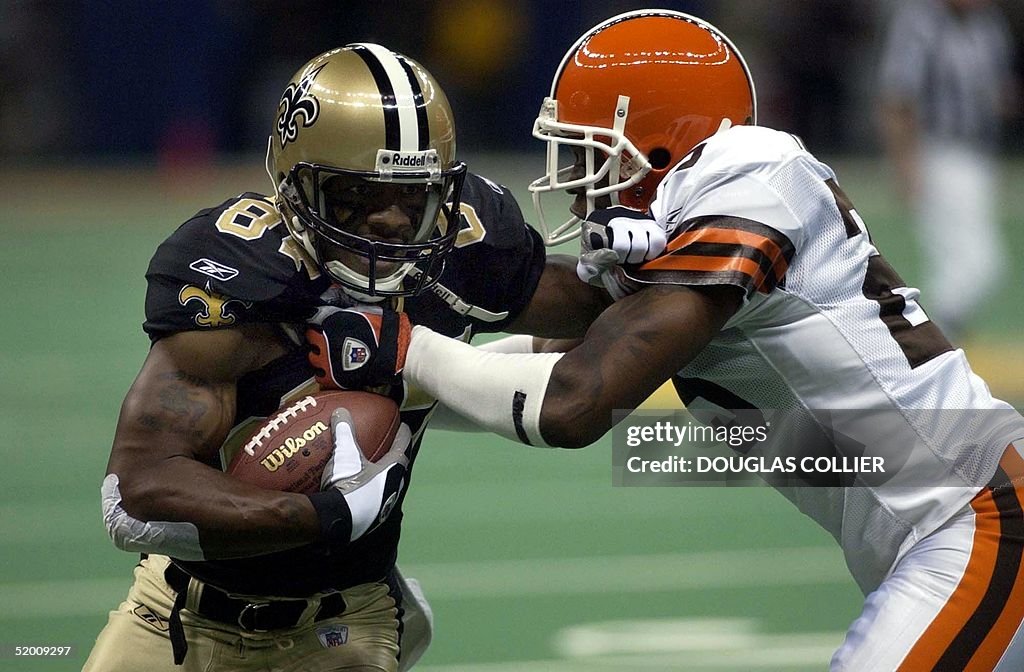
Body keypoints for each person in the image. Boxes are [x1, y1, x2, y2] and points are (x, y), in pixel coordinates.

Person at [326, 11, 1024, 670]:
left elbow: (571, 404)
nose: (574, 191)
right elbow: (544, 361)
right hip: (941, 532)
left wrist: (400, 345)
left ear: (661, 143)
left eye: (587, 155)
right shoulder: (689, 251)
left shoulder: (756, 179)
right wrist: (357, 376)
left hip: (974, 522)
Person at [85, 44, 601, 672]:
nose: (389, 220)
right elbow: (134, 496)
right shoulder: (244, 276)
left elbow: (598, 317)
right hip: (176, 616)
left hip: (346, 620)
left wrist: (704, 271)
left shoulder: (464, 252)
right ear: (295, 184)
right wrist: (317, 515)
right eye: (357, 195)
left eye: (413, 198)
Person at [879, 0, 1020, 341]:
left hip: (976, 155)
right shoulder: (921, 24)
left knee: (971, 263)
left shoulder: (988, 26)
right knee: (975, 263)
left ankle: (942, 338)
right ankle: (935, 336)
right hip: (937, 151)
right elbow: (898, 96)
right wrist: (906, 164)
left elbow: (996, 88)